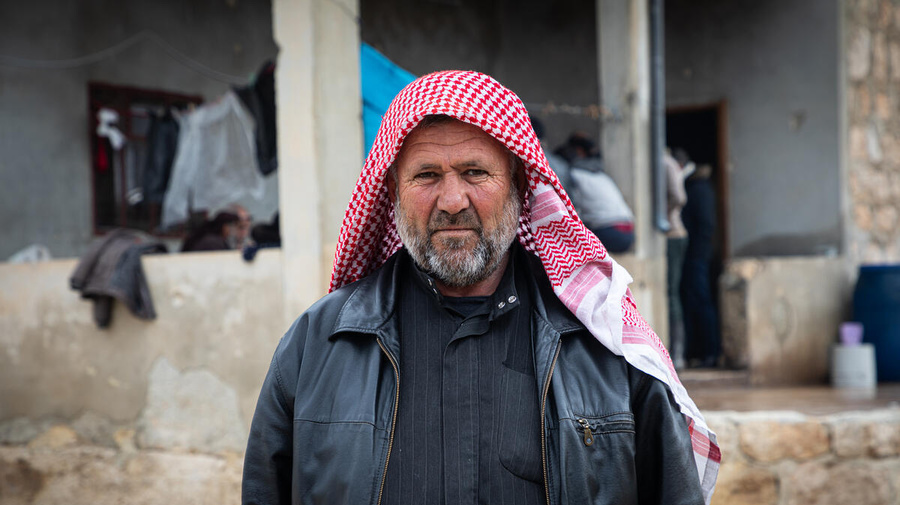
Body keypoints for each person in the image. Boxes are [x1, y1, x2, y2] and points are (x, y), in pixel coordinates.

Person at [242, 71, 719, 505]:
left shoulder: (604, 344)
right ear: (392, 194)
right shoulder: (317, 344)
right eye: (426, 175)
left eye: (475, 172)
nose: (452, 201)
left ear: (517, 184)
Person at [555, 133, 635, 254]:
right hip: (629, 232)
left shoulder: (574, 174)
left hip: (610, 231)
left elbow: (571, 206)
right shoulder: (600, 174)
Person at [681, 164, 720, 368]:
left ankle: (710, 353)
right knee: (694, 302)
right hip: (695, 254)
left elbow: (706, 225)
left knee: (702, 302)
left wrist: (696, 252)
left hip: (697, 255)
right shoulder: (699, 188)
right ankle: (699, 352)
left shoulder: (699, 189)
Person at [663, 148, 694, 370]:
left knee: (672, 293)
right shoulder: (665, 162)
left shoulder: (665, 163)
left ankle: (678, 353)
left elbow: (679, 197)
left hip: (673, 233)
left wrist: (663, 214)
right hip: (672, 233)